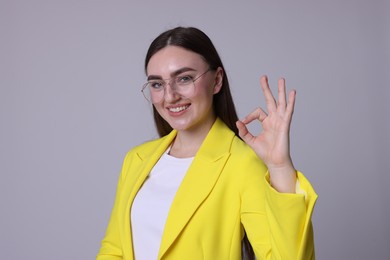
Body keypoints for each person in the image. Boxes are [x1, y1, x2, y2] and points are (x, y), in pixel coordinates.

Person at [97, 26, 317, 260]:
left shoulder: (242, 163)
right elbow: (114, 250)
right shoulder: (136, 159)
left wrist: (280, 166)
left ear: (217, 80)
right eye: (157, 84)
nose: (170, 96)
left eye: (184, 78)